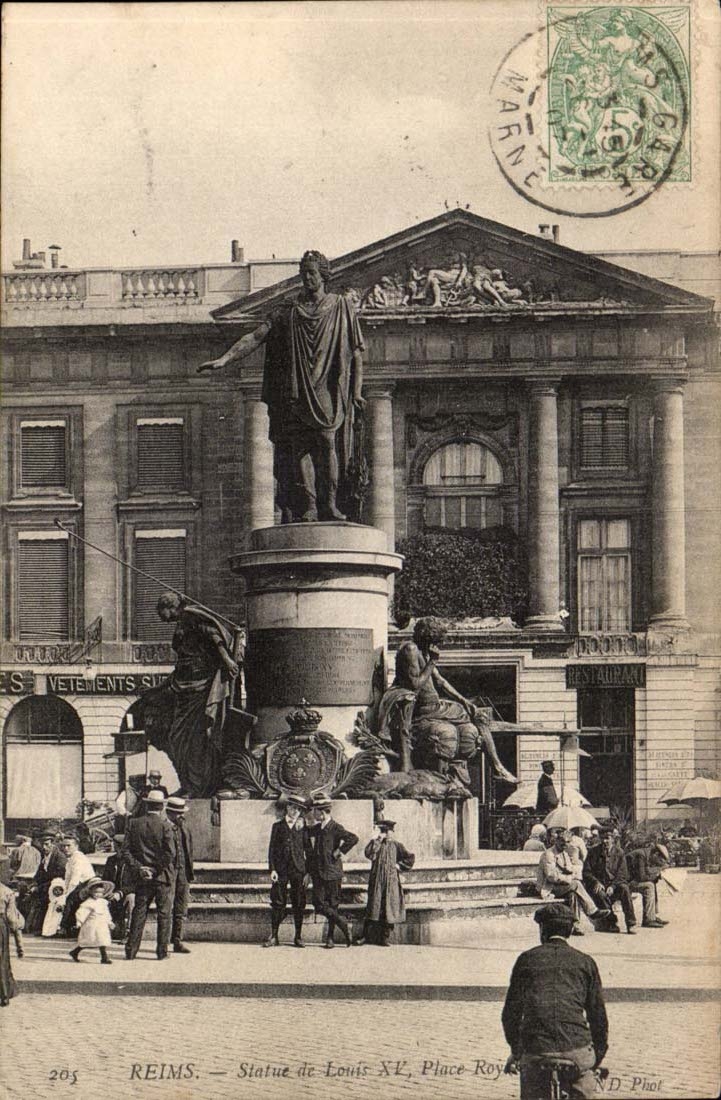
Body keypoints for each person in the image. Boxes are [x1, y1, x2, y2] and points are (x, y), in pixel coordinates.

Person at [199, 249, 365, 523]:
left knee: (326, 442)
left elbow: (356, 353)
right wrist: (225, 359)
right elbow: (256, 337)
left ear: (323, 275)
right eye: (303, 273)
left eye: (312, 273)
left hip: (325, 386)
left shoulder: (340, 307)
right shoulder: (287, 310)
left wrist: (356, 392)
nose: (307, 278)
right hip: (296, 388)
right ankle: (309, 505)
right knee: (299, 448)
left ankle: (329, 504)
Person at [379, 617, 517, 784]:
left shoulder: (423, 650)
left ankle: (497, 767)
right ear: (428, 636)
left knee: (479, 715)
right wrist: (432, 661)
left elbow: (440, 682)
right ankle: (496, 767)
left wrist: (465, 701)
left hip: (437, 707)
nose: (439, 645)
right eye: (437, 640)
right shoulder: (411, 650)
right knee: (476, 719)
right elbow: (415, 685)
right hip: (423, 710)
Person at [502, 903, 608, 1099]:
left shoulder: (526, 960)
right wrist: (597, 1058)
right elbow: (598, 1017)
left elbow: (510, 1015)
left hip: (536, 1051)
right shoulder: (585, 962)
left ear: (542, 930)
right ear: (570, 930)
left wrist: (516, 1051)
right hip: (577, 1051)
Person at [139, 592, 240, 798]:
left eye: (160, 611)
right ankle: (188, 784)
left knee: (190, 739)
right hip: (183, 685)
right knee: (177, 738)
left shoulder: (191, 616)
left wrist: (227, 661)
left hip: (199, 687)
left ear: (170, 607)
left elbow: (214, 636)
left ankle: (197, 785)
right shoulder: (182, 622)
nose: (159, 617)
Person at [122, 789, 178, 960]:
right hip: (162, 876)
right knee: (164, 914)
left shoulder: (133, 823)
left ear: (147, 805)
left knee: (139, 912)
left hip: (142, 877)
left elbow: (125, 851)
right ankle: (162, 952)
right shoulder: (166, 826)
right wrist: (154, 869)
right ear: (162, 807)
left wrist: (141, 868)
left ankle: (131, 951)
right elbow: (170, 854)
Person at [308, 796, 358, 948]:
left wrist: (339, 851)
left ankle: (330, 938)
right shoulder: (317, 828)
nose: (313, 814)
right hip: (318, 873)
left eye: (315, 811)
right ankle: (343, 924)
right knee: (318, 904)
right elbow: (305, 832)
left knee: (333, 905)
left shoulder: (336, 827)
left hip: (333, 872)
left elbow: (353, 838)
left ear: (322, 812)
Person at [356, 820, 415, 947]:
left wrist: (399, 865)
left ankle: (384, 937)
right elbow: (369, 854)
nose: (386, 834)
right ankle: (365, 936)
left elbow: (410, 857)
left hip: (391, 882)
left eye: (388, 831)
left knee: (388, 908)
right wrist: (377, 840)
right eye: (383, 831)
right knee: (373, 907)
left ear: (392, 832)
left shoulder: (397, 845)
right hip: (377, 881)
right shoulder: (376, 844)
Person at [537, 830, 608, 935]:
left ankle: (575, 925)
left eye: (568, 842)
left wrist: (573, 870)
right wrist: (569, 878)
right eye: (562, 841)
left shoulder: (564, 853)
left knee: (573, 894)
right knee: (576, 884)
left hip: (562, 886)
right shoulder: (549, 854)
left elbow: (569, 869)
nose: (565, 844)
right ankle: (592, 911)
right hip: (549, 887)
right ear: (556, 841)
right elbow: (551, 876)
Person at [265, 794, 313, 948]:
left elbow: (309, 851)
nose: (295, 811)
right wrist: (272, 869)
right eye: (293, 807)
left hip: (298, 870)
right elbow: (272, 850)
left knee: (298, 903)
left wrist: (308, 873)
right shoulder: (277, 826)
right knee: (278, 902)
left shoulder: (303, 828)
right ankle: (274, 936)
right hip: (281, 870)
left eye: (298, 809)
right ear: (287, 807)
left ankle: (298, 936)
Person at [583, 828, 637, 934]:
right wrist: (596, 882)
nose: (605, 841)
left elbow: (623, 874)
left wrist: (613, 886)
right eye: (602, 838)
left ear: (613, 838)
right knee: (600, 894)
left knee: (625, 889)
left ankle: (631, 923)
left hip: (615, 885)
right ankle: (612, 923)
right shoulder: (593, 852)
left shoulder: (619, 852)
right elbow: (586, 872)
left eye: (607, 838)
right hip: (599, 885)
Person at [166, 796, 194, 954]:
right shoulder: (163, 827)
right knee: (166, 908)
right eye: (178, 813)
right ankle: (164, 942)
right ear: (169, 813)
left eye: (182, 813)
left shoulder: (185, 828)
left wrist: (190, 871)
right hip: (169, 872)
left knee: (181, 907)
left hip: (183, 872)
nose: (181, 816)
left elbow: (189, 850)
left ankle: (177, 940)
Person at [27, 833, 67, 935]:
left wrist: (39, 887)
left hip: (56, 889)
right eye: (42, 844)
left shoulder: (60, 857)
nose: (44, 847)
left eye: (47, 844)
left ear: (53, 844)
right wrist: (34, 884)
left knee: (42, 900)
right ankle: (31, 926)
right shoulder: (45, 856)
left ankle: (45, 928)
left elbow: (59, 877)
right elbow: (39, 873)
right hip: (46, 887)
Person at [625, 837, 668, 929]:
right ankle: (648, 919)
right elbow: (641, 877)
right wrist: (657, 874)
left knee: (652, 884)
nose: (658, 863)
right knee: (649, 886)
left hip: (631, 880)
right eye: (659, 860)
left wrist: (656, 874)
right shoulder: (641, 855)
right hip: (625, 882)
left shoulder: (646, 854)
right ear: (656, 854)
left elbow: (646, 873)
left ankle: (652, 916)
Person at [69, 877, 115, 965]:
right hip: (91, 925)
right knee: (88, 941)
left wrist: (110, 922)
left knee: (103, 940)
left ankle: (104, 958)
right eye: (96, 892)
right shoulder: (88, 903)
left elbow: (106, 913)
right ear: (91, 892)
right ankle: (75, 951)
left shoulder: (103, 902)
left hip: (102, 925)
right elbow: (82, 912)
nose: (98, 894)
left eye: (100, 893)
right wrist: (79, 922)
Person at [59, 836, 95, 937]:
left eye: (68, 846)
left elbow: (75, 880)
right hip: (80, 884)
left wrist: (66, 894)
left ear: (76, 846)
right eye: (63, 846)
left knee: (70, 899)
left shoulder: (78, 858)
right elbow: (68, 879)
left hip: (87, 884)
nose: (65, 848)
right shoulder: (71, 859)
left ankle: (65, 928)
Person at [104, 835, 135, 942]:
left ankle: (129, 933)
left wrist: (120, 893)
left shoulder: (132, 861)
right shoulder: (111, 860)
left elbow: (136, 884)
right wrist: (108, 891)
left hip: (127, 893)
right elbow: (106, 879)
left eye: (116, 845)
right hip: (112, 893)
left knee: (131, 899)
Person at [0, 882, 21, 1007]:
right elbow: (11, 917)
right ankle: (4, 995)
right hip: (1, 925)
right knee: (2, 960)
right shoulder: (7, 891)